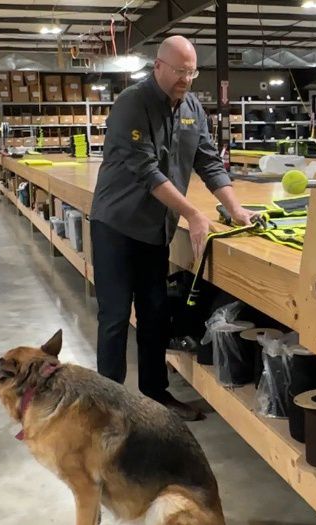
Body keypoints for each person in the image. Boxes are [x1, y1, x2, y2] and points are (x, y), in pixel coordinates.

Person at [90, 35, 255, 421]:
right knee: (114, 318)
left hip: (154, 230)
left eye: (192, 72)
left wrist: (235, 208)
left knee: (154, 315)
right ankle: (108, 408)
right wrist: (194, 215)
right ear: (158, 66)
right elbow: (147, 171)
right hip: (116, 226)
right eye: (179, 71)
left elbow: (208, 161)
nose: (186, 79)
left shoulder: (193, 108)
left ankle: (155, 395)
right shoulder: (131, 104)